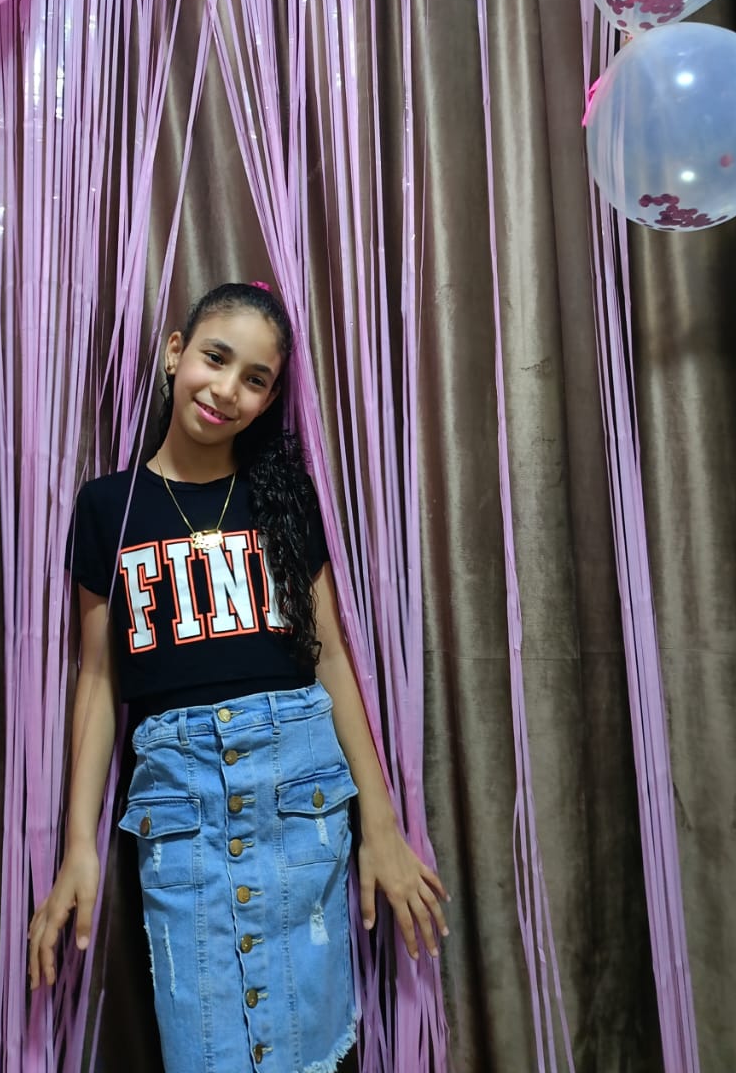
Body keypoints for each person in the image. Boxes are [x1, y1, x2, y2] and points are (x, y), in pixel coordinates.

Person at [28, 281, 448, 1073]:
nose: (227, 390)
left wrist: (382, 826)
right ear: (175, 353)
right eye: (215, 359)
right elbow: (98, 681)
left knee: (306, 1043)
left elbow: (331, 659)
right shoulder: (107, 506)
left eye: (256, 379)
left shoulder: (282, 499)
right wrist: (78, 845)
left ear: (269, 399)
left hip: (298, 793)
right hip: (179, 811)